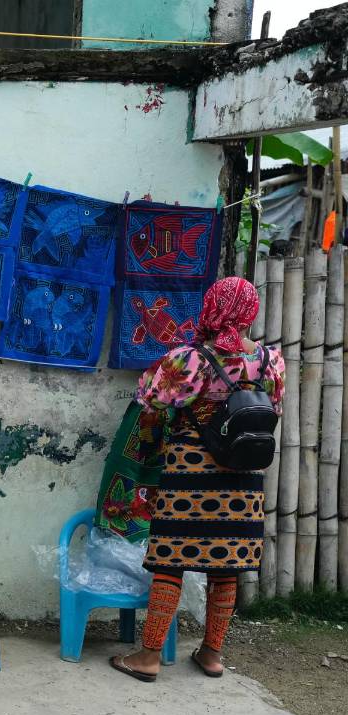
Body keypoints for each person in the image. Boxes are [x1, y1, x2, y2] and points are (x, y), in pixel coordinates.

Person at [111, 277, 285, 682]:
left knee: (171, 561)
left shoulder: (191, 358)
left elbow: (150, 398)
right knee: (226, 564)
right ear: (249, 313)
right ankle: (211, 654)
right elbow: (274, 406)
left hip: (191, 468)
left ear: (212, 306)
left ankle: (149, 657)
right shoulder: (270, 360)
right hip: (244, 474)